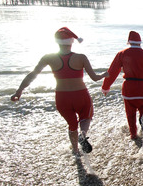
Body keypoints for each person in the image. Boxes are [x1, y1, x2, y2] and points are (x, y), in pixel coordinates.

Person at [10, 27, 109, 155]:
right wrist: (104, 75)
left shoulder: (48, 58)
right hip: (81, 95)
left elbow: (33, 74)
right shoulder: (81, 57)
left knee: (72, 125)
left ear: (56, 42)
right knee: (86, 117)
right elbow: (94, 78)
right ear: (71, 42)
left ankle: (75, 150)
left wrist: (19, 90)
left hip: (62, 98)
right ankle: (83, 135)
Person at [102, 31, 143, 140]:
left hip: (129, 89)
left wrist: (105, 87)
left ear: (129, 42)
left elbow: (112, 71)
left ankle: (133, 134)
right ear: (140, 42)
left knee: (130, 114)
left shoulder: (122, 54)